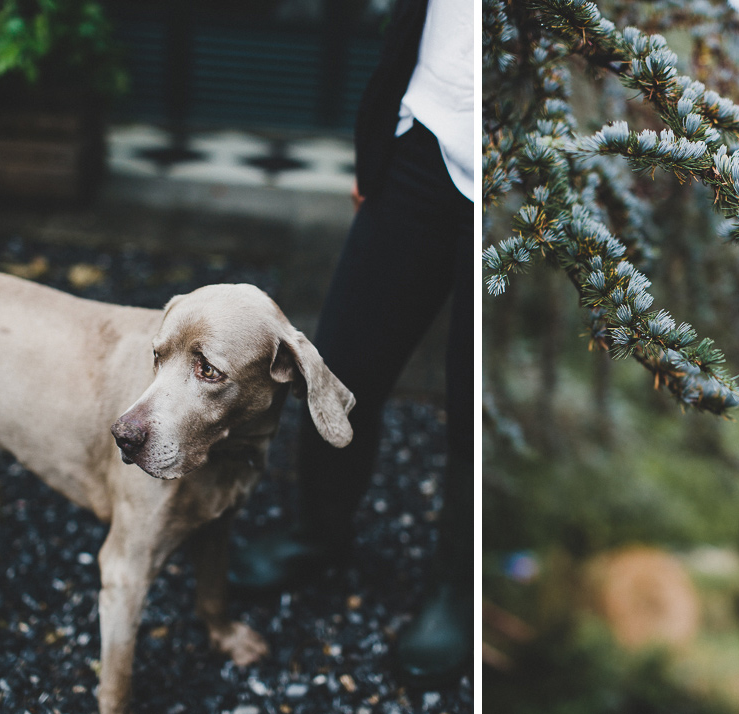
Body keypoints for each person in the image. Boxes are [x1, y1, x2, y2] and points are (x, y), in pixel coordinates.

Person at [230, 0, 474, 688]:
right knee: (344, 359)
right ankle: (320, 532)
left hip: (513, 174)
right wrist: (379, 142)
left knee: (470, 400)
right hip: (422, 138)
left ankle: (458, 590)